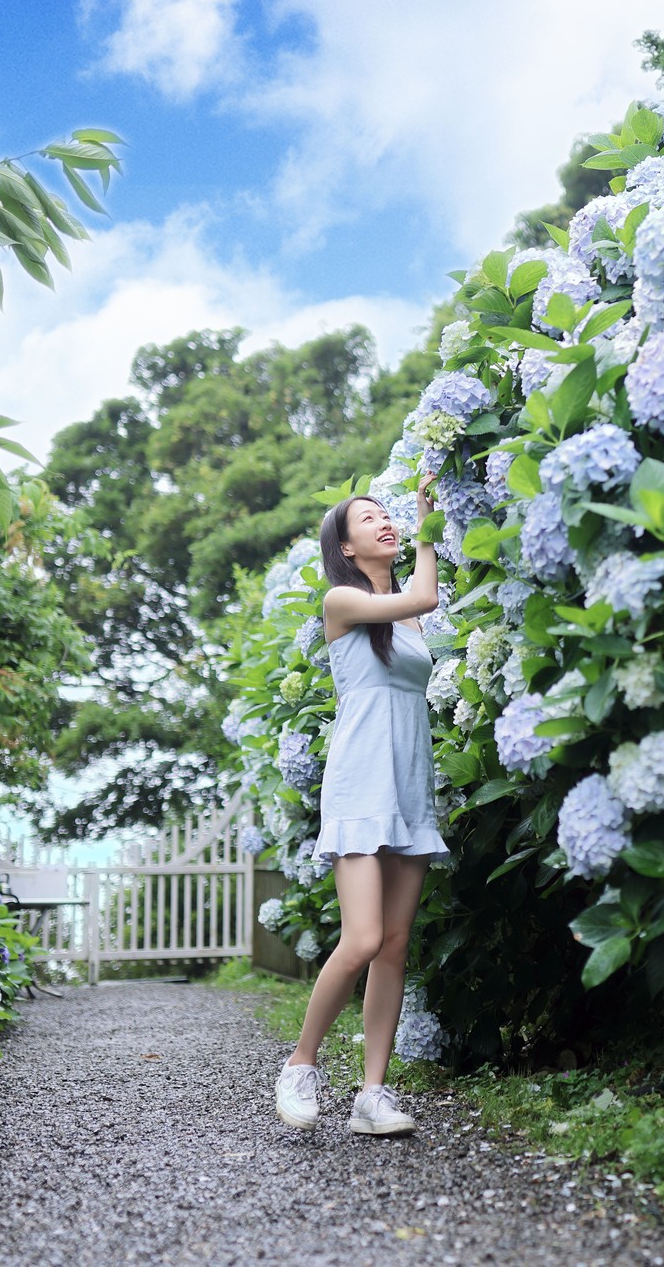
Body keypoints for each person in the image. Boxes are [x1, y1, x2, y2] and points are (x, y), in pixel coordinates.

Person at [274, 478, 446, 1136]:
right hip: (358, 785)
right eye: (367, 518)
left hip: (406, 786)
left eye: (389, 515)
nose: (385, 523)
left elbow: (417, 604)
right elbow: (425, 590)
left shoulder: (407, 617)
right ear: (345, 545)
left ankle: (373, 1093)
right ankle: (301, 1062)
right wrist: (428, 520)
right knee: (364, 937)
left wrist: (420, 528)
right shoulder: (341, 600)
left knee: (394, 947)